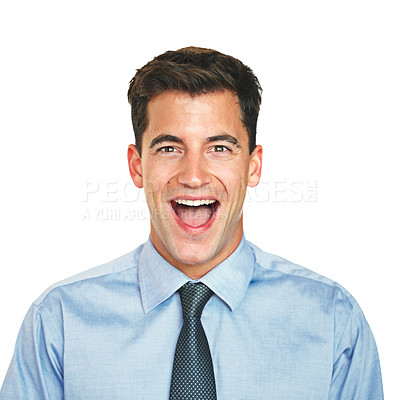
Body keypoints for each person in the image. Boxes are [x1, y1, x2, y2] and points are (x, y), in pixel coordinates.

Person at [0, 47, 383, 399]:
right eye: (170, 148)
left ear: (253, 165)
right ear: (137, 166)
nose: (194, 176)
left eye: (219, 148)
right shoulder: (59, 322)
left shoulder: (333, 321)